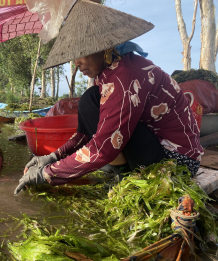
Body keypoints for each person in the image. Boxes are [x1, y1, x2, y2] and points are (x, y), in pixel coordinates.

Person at [14, 0, 203, 195]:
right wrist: (53, 156)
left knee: (93, 107)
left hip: (176, 161)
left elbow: (103, 148)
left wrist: (46, 175)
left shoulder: (125, 75)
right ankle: (124, 173)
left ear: (103, 47)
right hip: (153, 146)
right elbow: (86, 135)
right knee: (90, 100)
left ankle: (125, 177)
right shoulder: (109, 74)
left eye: (82, 53)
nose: (76, 63)